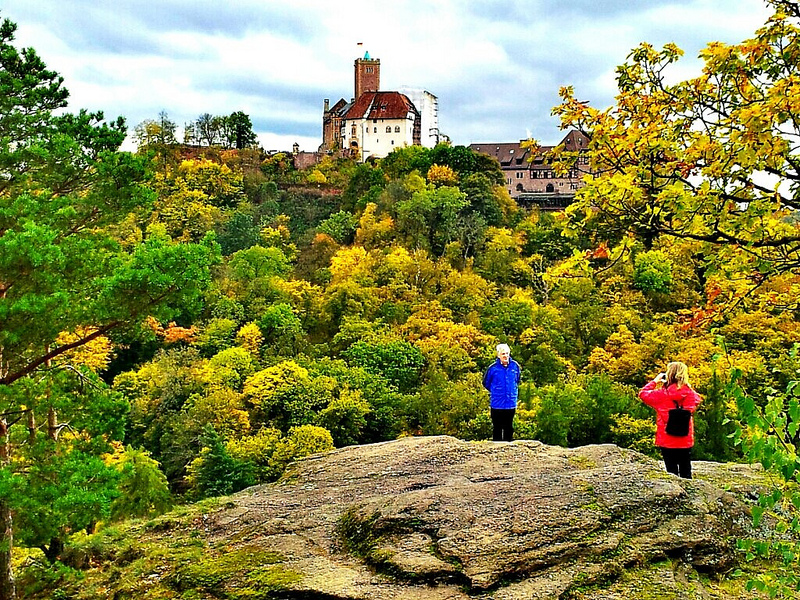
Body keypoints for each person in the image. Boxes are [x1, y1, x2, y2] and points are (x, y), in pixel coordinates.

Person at [639, 361, 702, 479]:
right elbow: (698, 399)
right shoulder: (690, 394)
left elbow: (643, 394)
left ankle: (676, 493)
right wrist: (685, 385)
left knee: (671, 471)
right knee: (686, 470)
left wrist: (655, 381)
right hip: (685, 438)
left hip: (666, 438)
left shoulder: (661, 394)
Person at [483, 343, 522, 442]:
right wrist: (496, 391)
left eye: (507, 353)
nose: (505, 356)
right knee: (497, 427)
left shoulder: (515, 366)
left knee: (509, 426)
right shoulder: (493, 368)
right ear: (498, 355)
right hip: (497, 403)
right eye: (503, 354)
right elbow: (486, 383)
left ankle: (509, 452)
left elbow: (517, 380)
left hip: (510, 403)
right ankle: (497, 453)